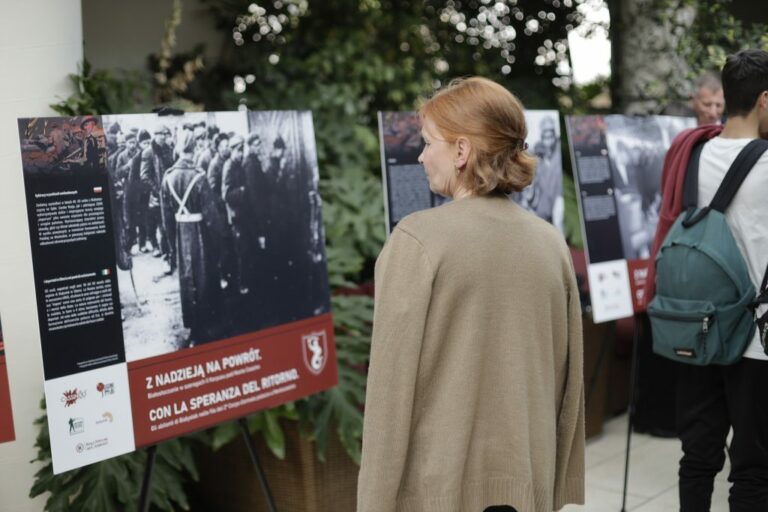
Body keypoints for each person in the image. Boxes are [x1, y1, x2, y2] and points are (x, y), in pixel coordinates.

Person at [357, 77, 585, 512]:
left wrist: (375, 501)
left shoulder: (417, 240)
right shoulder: (549, 242)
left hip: (439, 489)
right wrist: (556, 484)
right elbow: (566, 381)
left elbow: (390, 392)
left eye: (429, 142)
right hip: (526, 482)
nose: (421, 156)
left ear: (462, 151)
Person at [661, 49, 768, 512]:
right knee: (754, 467)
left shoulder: (690, 152)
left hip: (696, 324)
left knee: (697, 456)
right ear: (765, 99)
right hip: (757, 338)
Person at [161, 129, 224, 346]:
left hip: (180, 234)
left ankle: (193, 328)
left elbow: (166, 218)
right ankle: (205, 326)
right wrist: (220, 242)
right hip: (200, 234)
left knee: (187, 279)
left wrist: (172, 244)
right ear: (194, 148)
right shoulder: (199, 176)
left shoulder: (168, 177)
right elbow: (212, 217)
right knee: (204, 276)